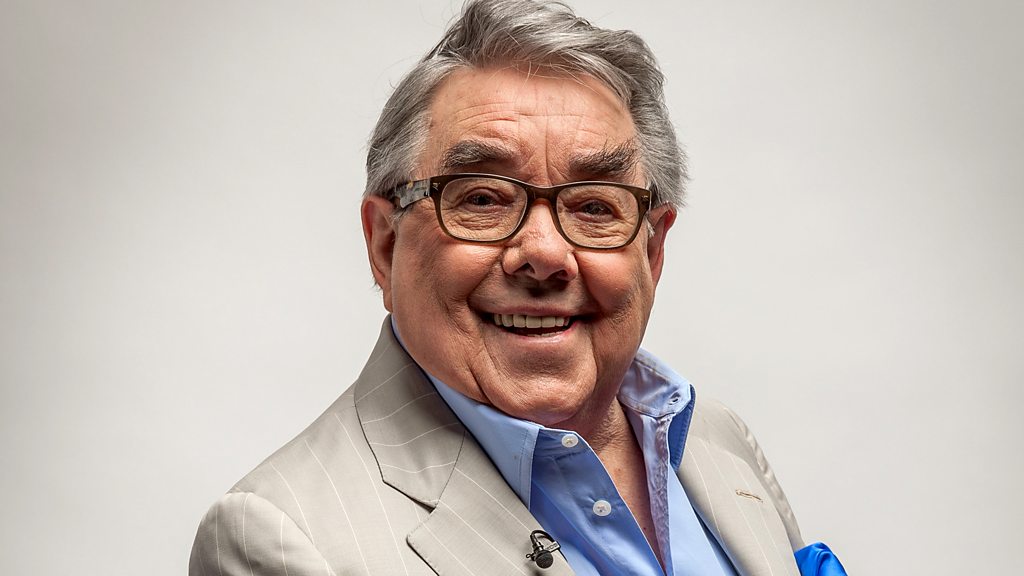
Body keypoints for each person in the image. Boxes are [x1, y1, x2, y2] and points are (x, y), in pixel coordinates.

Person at [190, 1, 845, 574]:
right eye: (481, 198)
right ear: (385, 245)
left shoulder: (719, 440)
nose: (546, 254)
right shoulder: (284, 540)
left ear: (653, 250)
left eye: (595, 206)